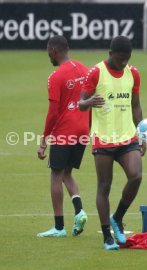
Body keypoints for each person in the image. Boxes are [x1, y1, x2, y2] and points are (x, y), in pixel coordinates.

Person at [79, 36, 146, 250]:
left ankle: (117, 217)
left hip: (127, 136)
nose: (124, 63)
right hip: (104, 138)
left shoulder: (133, 73)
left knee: (136, 176)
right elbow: (81, 104)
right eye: (120, 59)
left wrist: (142, 133)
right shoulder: (96, 72)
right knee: (104, 186)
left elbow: (135, 105)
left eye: (127, 59)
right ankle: (107, 236)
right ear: (110, 54)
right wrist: (89, 102)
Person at [37, 35, 89, 237]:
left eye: (48, 51)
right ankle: (80, 210)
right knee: (67, 173)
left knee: (56, 176)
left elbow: (53, 113)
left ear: (54, 51)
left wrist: (43, 141)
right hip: (83, 129)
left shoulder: (56, 76)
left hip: (64, 131)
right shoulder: (84, 69)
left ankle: (59, 227)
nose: (48, 54)